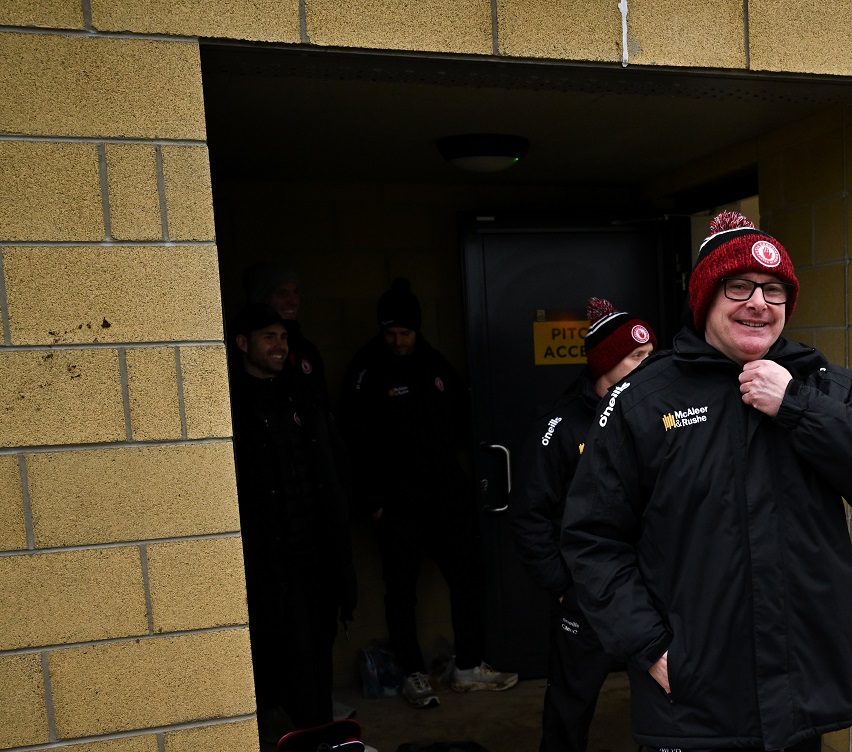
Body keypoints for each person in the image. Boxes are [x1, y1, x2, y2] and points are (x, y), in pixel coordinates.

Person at [560, 212, 852, 752]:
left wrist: (797, 408)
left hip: (800, 700)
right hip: (694, 705)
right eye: (740, 286)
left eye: (774, 291)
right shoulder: (643, 400)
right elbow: (592, 539)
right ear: (706, 297)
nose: (759, 302)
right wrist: (650, 646)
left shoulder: (820, 384)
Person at [342, 278, 518, 709]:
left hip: (445, 500)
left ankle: (468, 665)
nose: (398, 341)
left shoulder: (434, 365)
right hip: (397, 506)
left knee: (468, 577)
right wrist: (374, 503)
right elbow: (351, 443)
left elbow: (462, 422)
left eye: (405, 332)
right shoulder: (366, 371)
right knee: (400, 591)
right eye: (391, 334)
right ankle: (412, 672)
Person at [510, 297, 658, 752]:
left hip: (650, 589)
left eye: (651, 355)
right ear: (607, 362)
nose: (648, 365)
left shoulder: (655, 411)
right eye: (637, 357)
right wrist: (562, 585)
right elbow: (530, 516)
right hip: (586, 595)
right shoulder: (558, 427)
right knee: (571, 704)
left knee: (663, 696)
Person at [227, 304, 357, 744]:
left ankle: (317, 736)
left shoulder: (302, 397)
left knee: (314, 665)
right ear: (244, 344)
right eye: (268, 337)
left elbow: (331, 474)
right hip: (262, 569)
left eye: (282, 337)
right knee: (268, 670)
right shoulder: (229, 405)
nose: (279, 346)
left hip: (312, 561)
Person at [243, 261, 328, 399]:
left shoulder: (306, 349)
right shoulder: (239, 351)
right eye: (282, 293)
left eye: (295, 292)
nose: (293, 301)